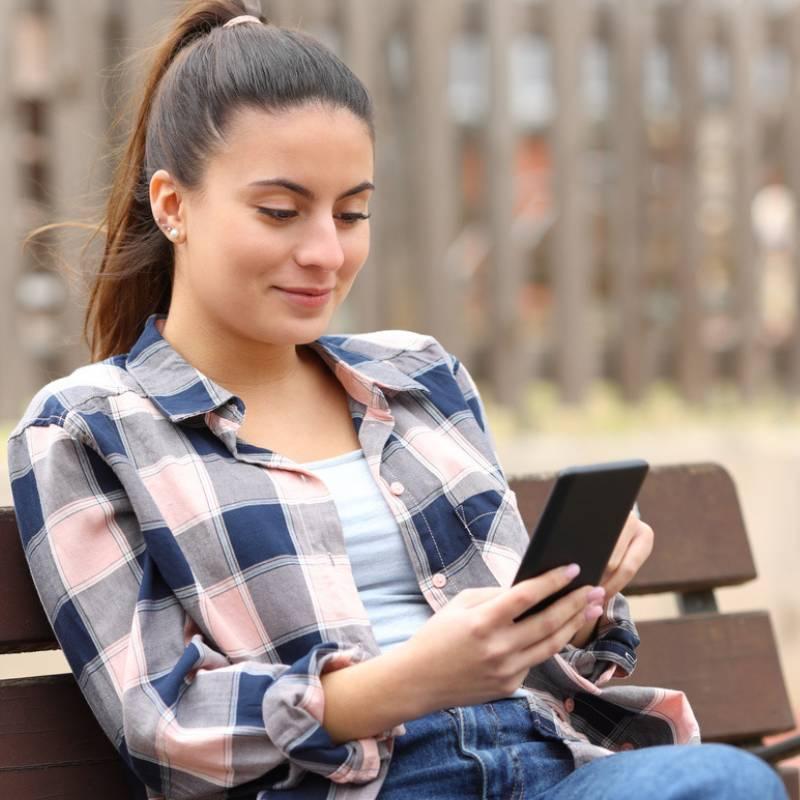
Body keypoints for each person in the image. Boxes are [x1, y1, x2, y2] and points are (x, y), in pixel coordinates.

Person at [6, 2, 787, 799]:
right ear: (172, 205)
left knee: (721, 782)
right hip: (349, 784)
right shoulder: (87, 429)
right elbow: (162, 725)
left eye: (352, 213)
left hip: (541, 764)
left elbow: (553, 666)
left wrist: (571, 605)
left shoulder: (418, 377)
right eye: (280, 211)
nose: (325, 252)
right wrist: (404, 682)